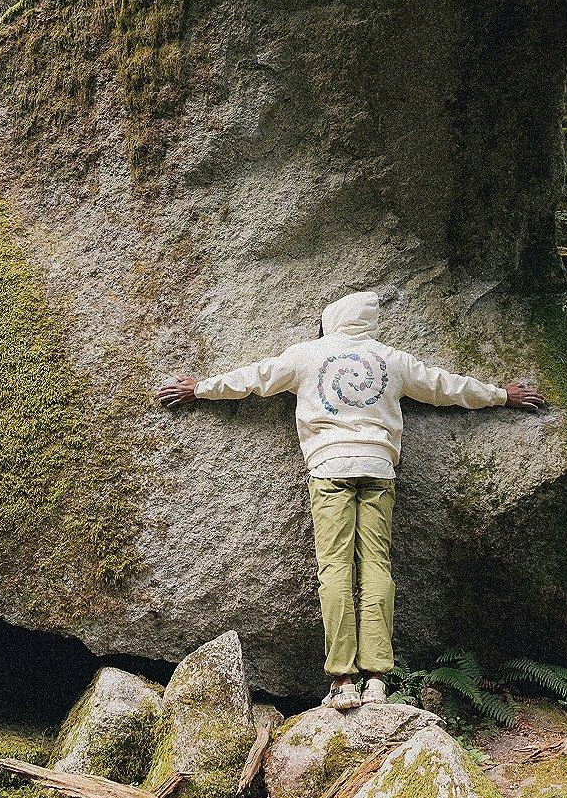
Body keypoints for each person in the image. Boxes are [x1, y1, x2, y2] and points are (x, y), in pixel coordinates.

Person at [158, 291, 544, 711]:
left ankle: (343, 681)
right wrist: (503, 395)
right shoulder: (392, 360)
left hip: (329, 469)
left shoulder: (307, 355)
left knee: (335, 568)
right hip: (379, 468)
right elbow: (444, 386)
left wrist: (199, 388)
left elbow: (256, 377)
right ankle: (376, 679)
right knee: (377, 566)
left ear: (331, 319)